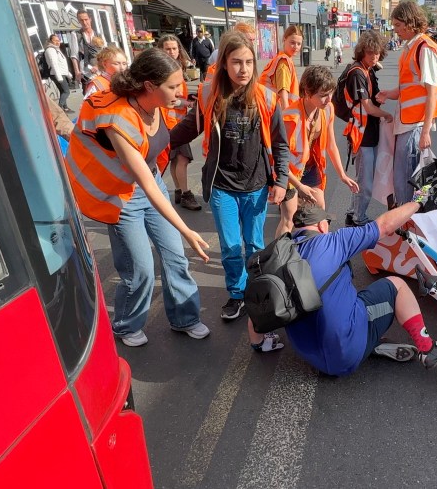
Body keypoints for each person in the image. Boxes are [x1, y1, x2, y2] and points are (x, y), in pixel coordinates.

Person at [65, 48, 211, 347]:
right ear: (149, 86)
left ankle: (185, 318)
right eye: (172, 86)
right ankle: (126, 324)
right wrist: (186, 229)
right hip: (121, 196)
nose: (178, 91)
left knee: (175, 257)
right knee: (140, 269)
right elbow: (145, 182)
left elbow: (155, 166)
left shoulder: (155, 103)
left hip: (148, 184)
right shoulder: (118, 120)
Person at [169, 31, 289, 352]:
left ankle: (256, 293)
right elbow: (186, 129)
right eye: (236, 62)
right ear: (223, 63)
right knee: (232, 246)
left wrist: (282, 181)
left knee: (254, 244)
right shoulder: (209, 94)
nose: (243, 69)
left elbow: (280, 143)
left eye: (249, 62)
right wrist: (151, 141)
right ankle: (237, 295)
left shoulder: (266, 97)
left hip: (255, 186)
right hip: (222, 185)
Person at [284, 199, 437, 377]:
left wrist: (259, 344)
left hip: (310, 356)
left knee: (352, 298)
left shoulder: (280, 255)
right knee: (397, 286)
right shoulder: (334, 241)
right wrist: (418, 202)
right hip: (345, 354)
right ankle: (427, 348)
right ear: (322, 226)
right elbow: (385, 226)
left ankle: (371, 344)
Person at [376, 0, 437, 205]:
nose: (396, 30)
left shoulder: (424, 49)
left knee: (408, 177)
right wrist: (390, 94)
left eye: (399, 26)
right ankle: (407, 221)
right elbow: (411, 88)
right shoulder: (412, 47)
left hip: (415, 125)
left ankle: (409, 223)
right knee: (404, 175)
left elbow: (431, 92)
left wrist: (426, 131)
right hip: (408, 123)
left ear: (411, 23)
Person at [276, 66, 358, 236]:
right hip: (289, 172)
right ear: (307, 92)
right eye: (322, 95)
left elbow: (331, 144)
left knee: (320, 210)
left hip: (311, 167)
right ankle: (280, 257)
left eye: (330, 93)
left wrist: (342, 175)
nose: (328, 100)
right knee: (289, 219)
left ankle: (319, 251)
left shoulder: (327, 109)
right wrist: (299, 186)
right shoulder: (289, 118)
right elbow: (278, 161)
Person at [342, 31, 393, 227]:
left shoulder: (368, 70)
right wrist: (387, 115)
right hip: (361, 134)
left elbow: (377, 95)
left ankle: (352, 213)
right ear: (362, 51)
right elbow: (368, 107)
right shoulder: (357, 73)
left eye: (377, 53)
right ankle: (359, 218)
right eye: (370, 53)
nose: (374, 57)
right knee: (365, 183)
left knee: (363, 178)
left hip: (369, 132)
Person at [156, 34, 203, 212]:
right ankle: (186, 194)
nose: (172, 51)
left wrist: (186, 100)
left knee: (176, 159)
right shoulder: (163, 72)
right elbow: (168, 99)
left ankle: (178, 190)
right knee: (182, 158)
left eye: (174, 48)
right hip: (168, 122)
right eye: (168, 48)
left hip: (177, 121)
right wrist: (188, 103)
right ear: (161, 50)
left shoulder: (175, 69)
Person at [259, 25, 303, 111]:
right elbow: (283, 93)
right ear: (284, 40)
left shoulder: (280, 58)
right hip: (276, 110)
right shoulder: (284, 63)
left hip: (268, 107)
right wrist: (285, 116)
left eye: (299, 44)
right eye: (292, 43)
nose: (296, 47)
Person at [44, 35, 74, 113]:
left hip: (61, 73)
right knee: (66, 91)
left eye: (58, 40)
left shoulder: (56, 49)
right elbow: (54, 64)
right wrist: (59, 77)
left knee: (62, 91)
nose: (58, 42)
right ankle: (59, 110)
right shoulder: (50, 50)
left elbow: (61, 63)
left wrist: (68, 74)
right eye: (55, 40)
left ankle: (65, 108)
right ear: (50, 41)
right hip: (57, 74)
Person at [73, 9, 100, 90]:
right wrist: (77, 72)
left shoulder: (98, 34)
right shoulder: (75, 35)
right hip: (86, 71)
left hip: (100, 70)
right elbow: (74, 55)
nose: (84, 22)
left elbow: (105, 54)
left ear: (90, 19)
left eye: (86, 19)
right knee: (88, 95)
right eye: (81, 20)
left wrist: (98, 66)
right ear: (78, 21)